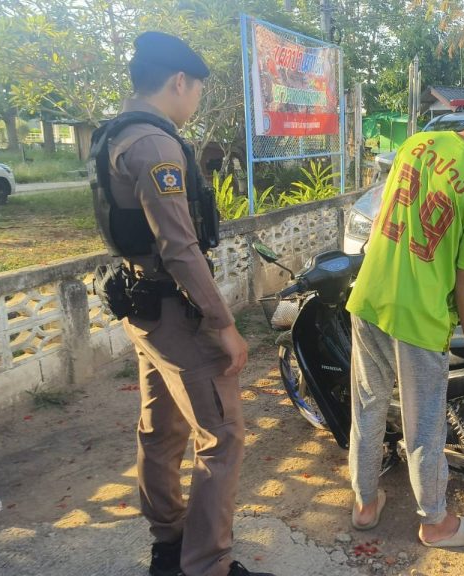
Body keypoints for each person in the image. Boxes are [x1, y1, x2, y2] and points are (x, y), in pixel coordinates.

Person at [89, 32, 269, 576]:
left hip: (142, 305)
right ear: (179, 81)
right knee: (222, 435)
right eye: (197, 92)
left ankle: (169, 543)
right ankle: (208, 565)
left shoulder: (114, 135)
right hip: (175, 311)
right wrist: (224, 324)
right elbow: (180, 248)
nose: (195, 102)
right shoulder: (155, 145)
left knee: (161, 429)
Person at [345, 70, 464, 547]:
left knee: (367, 406)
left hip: (370, 295)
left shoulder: (416, 144)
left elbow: (386, 214)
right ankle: (434, 522)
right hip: (419, 317)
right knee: (425, 424)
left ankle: (365, 504)